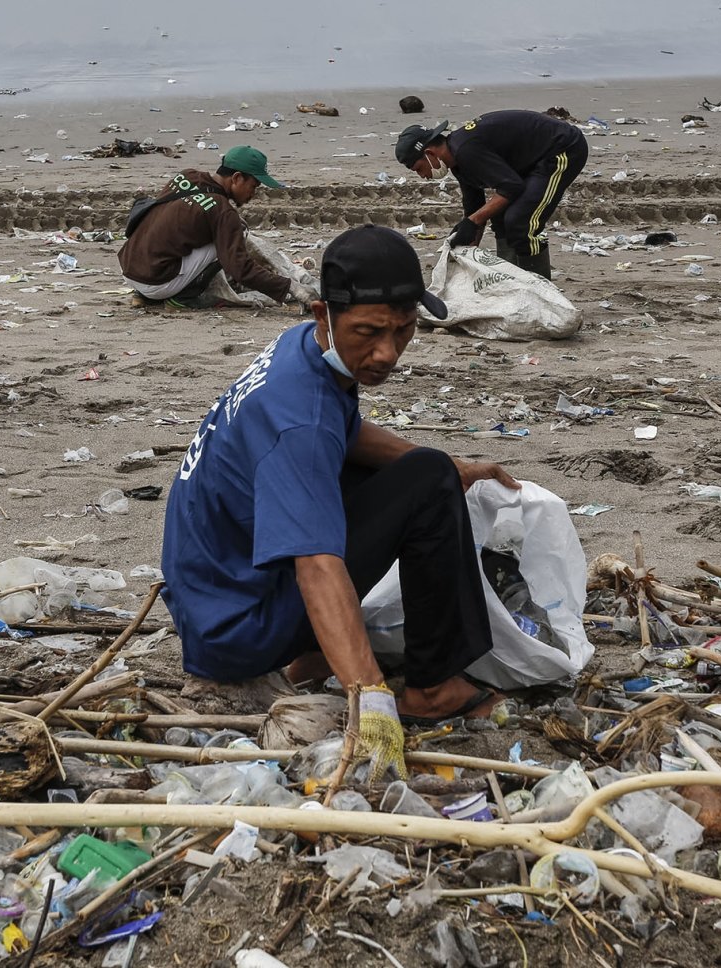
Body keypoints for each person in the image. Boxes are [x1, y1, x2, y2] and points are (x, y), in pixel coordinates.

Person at [161, 225, 519, 779]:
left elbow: (343, 432)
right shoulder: (298, 424)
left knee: (424, 468)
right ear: (322, 313)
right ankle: (433, 688)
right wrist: (369, 698)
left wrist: (451, 464)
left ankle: (311, 654)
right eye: (370, 332)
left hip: (216, 598)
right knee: (424, 484)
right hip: (237, 630)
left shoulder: (301, 349)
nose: (386, 353)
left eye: (403, 331)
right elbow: (318, 565)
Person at [395, 110, 587, 280]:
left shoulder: (466, 151)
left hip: (562, 149)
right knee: (499, 214)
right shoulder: (458, 161)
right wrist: (466, 248)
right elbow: (475, 210)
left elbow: (511, 187)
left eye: (419, 168)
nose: (423, 176)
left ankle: (540, 285)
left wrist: (472, 221)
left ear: (429, 153)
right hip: (530, 160)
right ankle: (509, 277)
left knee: (522, 221)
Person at [118, 145, 312, 307]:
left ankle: (144, 295)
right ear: (236, 178)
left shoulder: (187, 176)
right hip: (157, 282)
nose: (253, 193)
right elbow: (241, 270)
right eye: (253, 186)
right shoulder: (223, 211)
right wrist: (290, 288)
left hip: (130, 268)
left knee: (214, 233)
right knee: (236, 234)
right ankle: (184, 298)